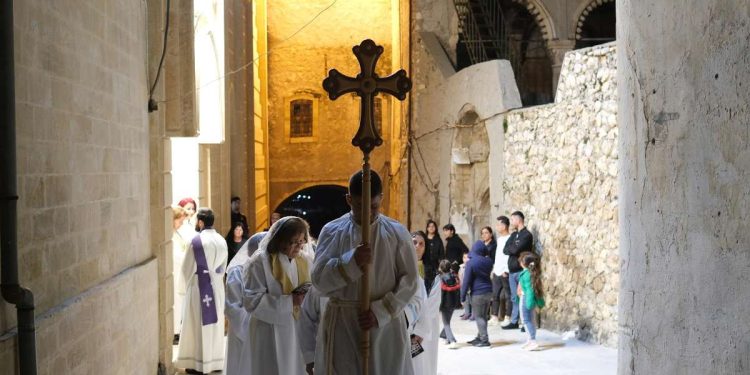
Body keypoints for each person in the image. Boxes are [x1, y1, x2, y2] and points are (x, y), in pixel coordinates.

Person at [311, 170, 419, 375]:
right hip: (343, 323)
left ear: (382, 199)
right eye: (360, 206)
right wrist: (351, 263)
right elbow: (318, 280)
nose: (368, 212)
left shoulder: (396, 232)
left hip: (384, 326)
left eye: (374, 206)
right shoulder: (332, 231)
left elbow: (410, 280)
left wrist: (381, 311)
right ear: (349, 199)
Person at [242, 217, 313, 375]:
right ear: (280, 240)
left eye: (302, 241)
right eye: (294, 242)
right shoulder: (260, 262)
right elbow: (251, 301)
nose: (299, 246)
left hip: (298, 330)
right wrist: (291, 301)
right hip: (268, 331)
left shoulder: (306, 260)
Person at [175, 208, 228, 374]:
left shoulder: (197, 241)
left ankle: (198, 364)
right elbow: (222, 267)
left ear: (200, 222)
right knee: (214, 326)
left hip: (199, 287)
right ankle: (215, 362)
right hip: (216, 287)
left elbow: (186, 269)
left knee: (197, 325)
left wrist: (183, 290)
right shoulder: (221, 240)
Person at [224, 231, 266, 375]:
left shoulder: (266, 269)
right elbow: (233, 306)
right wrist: (250, 326)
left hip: (261, 329)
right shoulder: (237, 271)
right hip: (242, 330)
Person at [408, 231, 440, 375]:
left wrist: (419, 331)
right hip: (405, 326)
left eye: (422, 244)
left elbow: (432, 305)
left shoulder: (432, 274)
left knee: (423, 365)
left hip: (424, 328)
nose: (418, 246)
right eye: (414, 242)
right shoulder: (400, 268)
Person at [502, 211, 534, 330]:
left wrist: (513, 248)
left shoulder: (527, 235)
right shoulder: (513, 235)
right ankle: (515, 321)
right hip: (512, 271)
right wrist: (513, 247)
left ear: (518, 220)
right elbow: (505, 249)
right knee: (514, 297)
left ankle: (526, 322)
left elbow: (515, 250)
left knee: (524, 297)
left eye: (512, 220)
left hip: (522, 270)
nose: (511, 222)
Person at [460, 241, 494, 347]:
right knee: (483, 316)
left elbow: (466, 281)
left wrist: (462, 296)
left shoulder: (471, 263)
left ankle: (484, 340)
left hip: (478, 293)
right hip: (488, 291)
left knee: (479, 317)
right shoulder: (489, 261)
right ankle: (479, 337)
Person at [519, 253, 545, 351]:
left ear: (524, 263)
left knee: (525, 320)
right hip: (528, 298)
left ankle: (533, 341)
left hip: (526, 298)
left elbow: (529, 290)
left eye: (521, 261)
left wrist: (529, 302)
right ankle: (530, 339)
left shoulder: (526, 274)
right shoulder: (531, 272)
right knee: (531, 320)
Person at [489, 216, 512, 326]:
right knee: (495, 295)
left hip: (505, 271)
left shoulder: (510, 238)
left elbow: (508, 256)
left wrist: (506, 270)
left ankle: (508, 317)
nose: (497, 227)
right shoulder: (499, 239)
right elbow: (498, 256)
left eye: (498, 225)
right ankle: (494, 317)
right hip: (497, 270)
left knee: (508, 295)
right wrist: (494, 269)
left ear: (504, 226)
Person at [172, 205, 189, 344]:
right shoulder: (170, 235)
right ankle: (174, 332)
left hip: (181, 274)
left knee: (180, 303)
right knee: (176, 302)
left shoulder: (177, 233)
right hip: (175, 273)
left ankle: (178, 329)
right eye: (180, 221)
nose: (181, 223)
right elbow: (176, 255)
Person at [437, 260, 461, 349]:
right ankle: (445, 336)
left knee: (446, 322)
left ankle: (452, 340)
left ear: (441, 268)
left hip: (445, 303)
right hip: (454, 302)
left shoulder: (441, 278)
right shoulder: (454, 276)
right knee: (447, 321)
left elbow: (440, 292)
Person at [423, 220, 444, 293]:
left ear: (435, 228)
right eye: (429, 226)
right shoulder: (424, 239)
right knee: (425, 285)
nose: (431, 228)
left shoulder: (438, 240)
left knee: (435, 285)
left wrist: (441, 266)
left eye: (433, 226)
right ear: (427, 228)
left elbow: (441, 254)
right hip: (425, 265)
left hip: (436, 266)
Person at [458, 251, 472, 320]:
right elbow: (460, 277)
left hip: (470, 287)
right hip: (463, 287)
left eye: (467, 258)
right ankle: (467, 313)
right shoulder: (461, 267)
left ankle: (472, 313)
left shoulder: (471, 267)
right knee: (465, 301)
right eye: (464, 257)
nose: (466, 259)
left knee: (471, 301)